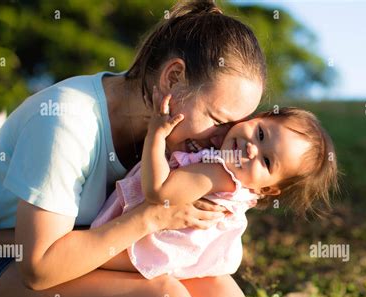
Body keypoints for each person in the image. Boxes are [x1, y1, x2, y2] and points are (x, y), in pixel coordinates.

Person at [0, 0, 267, 297]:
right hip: (4, 258)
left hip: (87, 249)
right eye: (217, 119)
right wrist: (153, 216)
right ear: (172, 78)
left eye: (233, 126)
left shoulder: (179, 139)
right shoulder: (66, 120)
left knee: (216, 290)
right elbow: (38, 269)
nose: (221, 139)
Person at [91, 90, 339, 281]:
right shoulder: (232, 173)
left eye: (266, 161)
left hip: (141, 246)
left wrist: (156, 135)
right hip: (169, 253)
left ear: (267, 190)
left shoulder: (220, 173)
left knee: (92, 260)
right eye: (261, 134)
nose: (251, 148)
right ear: (257, 118)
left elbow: (158, 191)